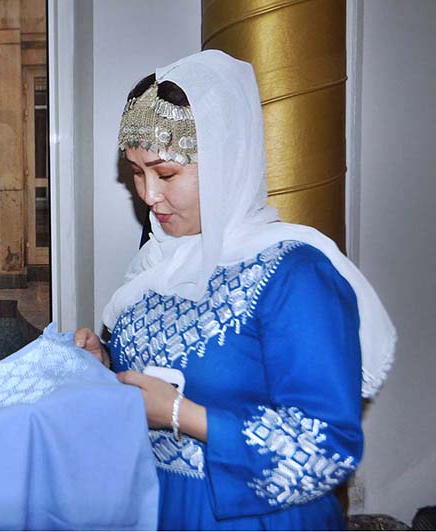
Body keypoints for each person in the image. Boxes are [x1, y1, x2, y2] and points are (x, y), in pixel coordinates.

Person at [75, 50, 396, 530]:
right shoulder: (157, 263)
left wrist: (185, 415)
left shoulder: (294, 274)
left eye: (165, 174)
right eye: (136, 173)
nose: (148, 195)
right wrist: (107, 364)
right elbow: (160, 382)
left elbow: (325, 447)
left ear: (227, 160)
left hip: (253, 518)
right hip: (158, 509)